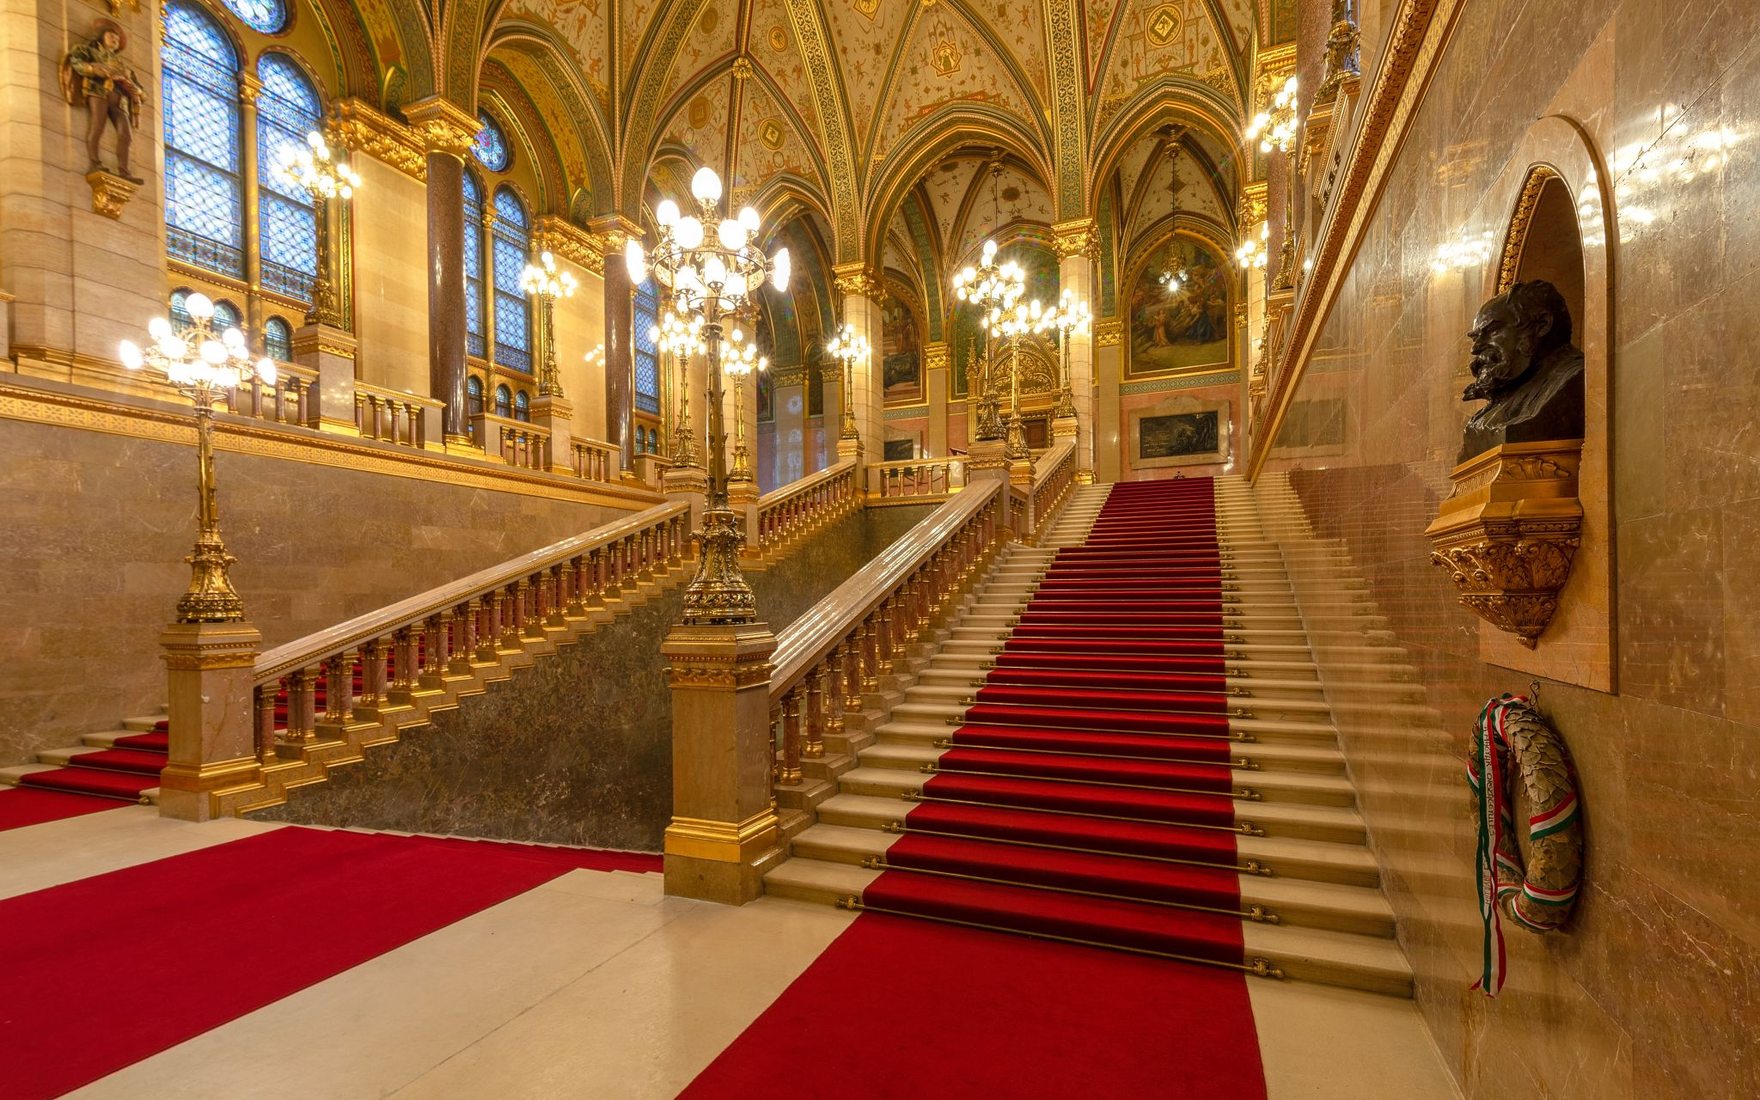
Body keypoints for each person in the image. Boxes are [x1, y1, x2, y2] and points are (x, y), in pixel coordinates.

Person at [1457, 279, 1585, 461]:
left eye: (1493, 331)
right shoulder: (1504, 398)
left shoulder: (1576, 380)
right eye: (1476, 337)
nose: (1475, 348)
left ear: (1542, 325)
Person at [63, 21, 144, 182]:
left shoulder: (124, 67)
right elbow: (76, 63)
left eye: (117, 38)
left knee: (126, 134)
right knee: (97, 126)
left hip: (118, 99)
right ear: (102, 37)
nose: (115, 39)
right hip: (99, 92)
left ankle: (124, 171)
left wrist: (135, 89)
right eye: (111, 35)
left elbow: (142, 93)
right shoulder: (90, 51)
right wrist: (96, 69)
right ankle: (95, 162)